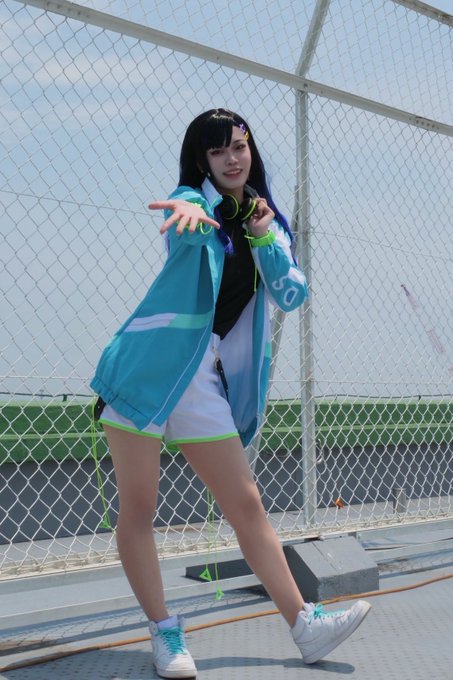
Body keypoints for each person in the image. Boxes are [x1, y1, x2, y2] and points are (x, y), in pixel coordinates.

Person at [90, 108, 370, 679]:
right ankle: (165, 632)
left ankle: (306, 624)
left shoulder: (265, 222)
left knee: (246, 503)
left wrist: (264, 237)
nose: (232, 158)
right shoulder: (192, 204)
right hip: (146, 369)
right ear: (202, 161)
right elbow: (187, 217)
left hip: (199, 378)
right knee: (140, 507)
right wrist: (195, 209)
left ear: (251, 151)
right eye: (217, 151)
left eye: (239, 146)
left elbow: (291, 294)